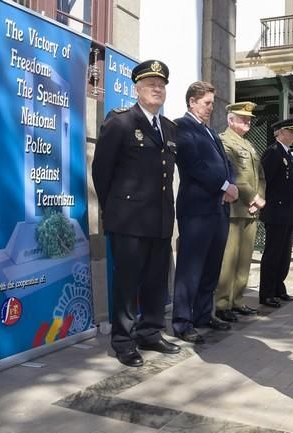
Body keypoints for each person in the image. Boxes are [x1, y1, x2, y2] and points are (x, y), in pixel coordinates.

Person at [92, 60, 181, 367]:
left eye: (161, 85)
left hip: (159, 220)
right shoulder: (120, 122)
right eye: (150, 84)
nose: (157, 89)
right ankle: (123, 340)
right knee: (127, 283)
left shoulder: (169, 128)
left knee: (156, 281)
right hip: (129, 221)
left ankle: (151, 332)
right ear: (137, 89)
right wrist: (116, 209)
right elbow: (101, 172)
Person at [172, 81, 237, 344]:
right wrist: (223, 185)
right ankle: (182, 321)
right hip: (197, 209)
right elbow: (193, 164)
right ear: (192, 102)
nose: (211, 107)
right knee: (191, 267)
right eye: (207, 103)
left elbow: (227, 163)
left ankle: (202, 314)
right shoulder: (182, 127)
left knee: (212, 264)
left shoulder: (209, 132)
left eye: (212, 103)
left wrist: (230, 183)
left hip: (218, 208)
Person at [213, 102, 266, 322]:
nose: (248, 122)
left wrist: (259, 197)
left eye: (249, 119)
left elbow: (260, 175)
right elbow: (233, 174)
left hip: (252, 209)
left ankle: (237, 300)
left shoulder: (249, 145)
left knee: (245, 259)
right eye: (243, 118)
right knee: (229, 259)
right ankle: (222, 304)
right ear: (230, 120)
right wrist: (253, 197)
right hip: (235, 208)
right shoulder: (224, 141)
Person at [258, 118, 293, 309]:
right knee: (273, 253)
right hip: (275, 211)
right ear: (279, 132)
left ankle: (279, 288)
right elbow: (264, 180)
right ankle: (267, 293)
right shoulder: (273, 152)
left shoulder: (287, 154)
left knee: (285, 253)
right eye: (290, 131)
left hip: (287, 212)